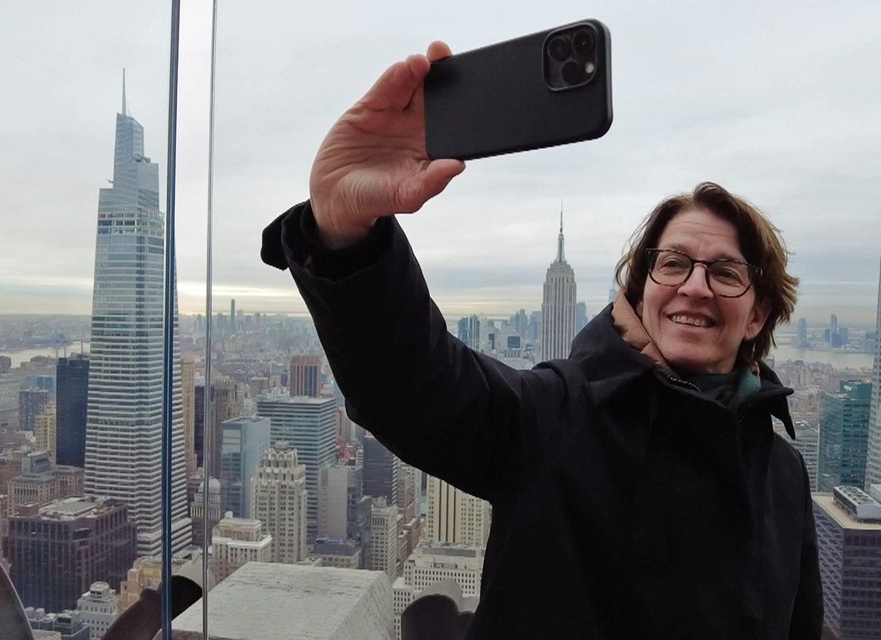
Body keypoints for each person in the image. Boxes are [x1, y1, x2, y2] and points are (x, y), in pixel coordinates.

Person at [261, 41, 823, 639]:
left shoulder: (781, 472)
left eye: (726, 273)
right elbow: (414, 387)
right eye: (674, 264)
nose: (696, 287)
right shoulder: (559, 415)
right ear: (639, 295)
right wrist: (345, 229)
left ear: (758, 314)